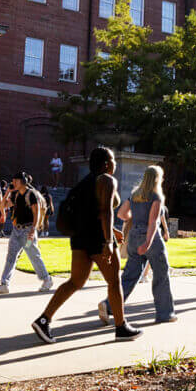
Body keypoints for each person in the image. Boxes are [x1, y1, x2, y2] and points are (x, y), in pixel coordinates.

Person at [31, 146, 140, 342]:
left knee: (75, 281)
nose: (115, 163)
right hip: (98, 239)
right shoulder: (107, 180)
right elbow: (106, 211)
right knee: (114, 282)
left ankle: (43, 320)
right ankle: (121, 327)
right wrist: (108, 241)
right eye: (113, 160)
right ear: (107, 163)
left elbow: (93, 212)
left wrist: (111, 230)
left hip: (80, 238)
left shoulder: (84, 183)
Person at [99, 165, 175, 324]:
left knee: (129, 276)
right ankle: (165, 314)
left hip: (133, 236)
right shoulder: (156, 197)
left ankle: (108, 305)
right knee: (161, 274)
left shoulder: (134, 195)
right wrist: (147, 243)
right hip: (150, 238)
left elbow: (121, 214)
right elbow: (153, 222)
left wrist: (136, 215)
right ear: (157, 179)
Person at [0, 173, 53, 294]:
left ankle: (47, 279)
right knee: (11, 257)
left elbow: (37, 213)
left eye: (15, 181)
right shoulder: (15, 194)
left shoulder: (31, 194)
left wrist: (33, 230)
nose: (13, 183)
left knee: (33, 255)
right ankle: (4, 284)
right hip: (16, 231)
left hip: (28, 231)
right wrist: (8, 192)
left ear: (22, 181)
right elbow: (2, 206)